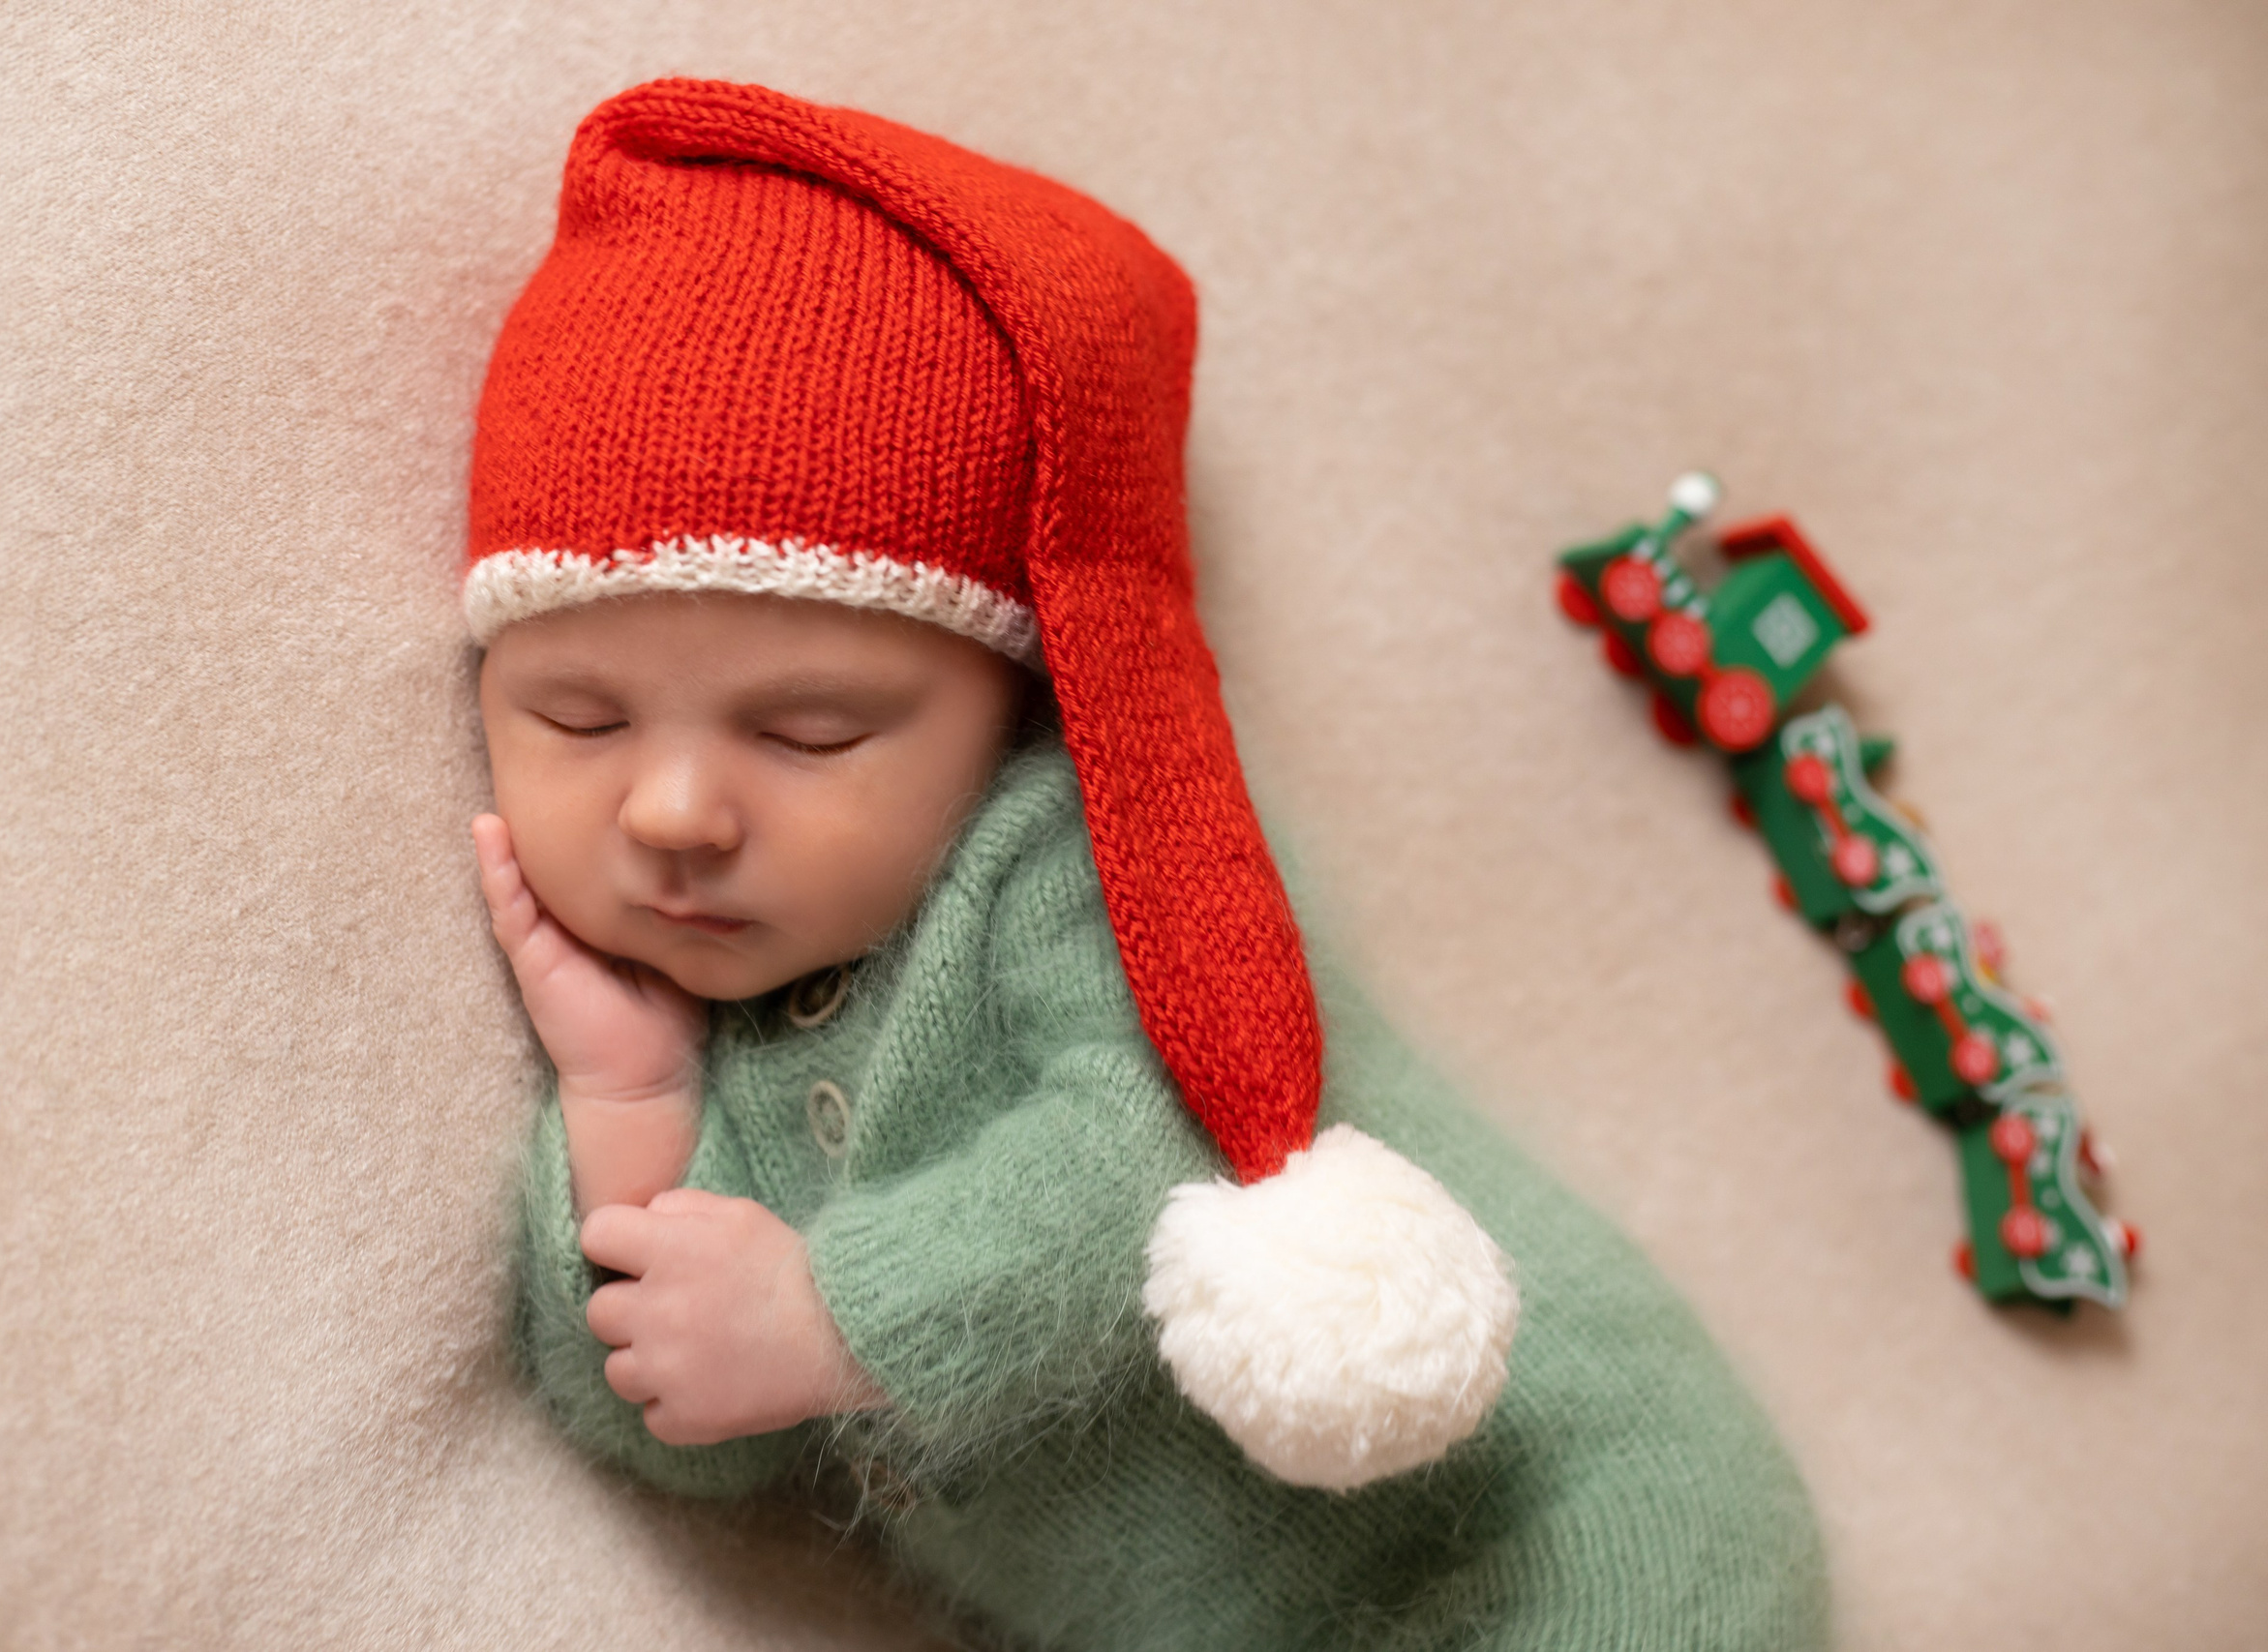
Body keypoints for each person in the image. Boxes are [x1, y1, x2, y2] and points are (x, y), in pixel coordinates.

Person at [469, 77, 1827, 1652]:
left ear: (1010, 705)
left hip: (1571, 1536)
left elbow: (1148, 1137)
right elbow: (682, 1432)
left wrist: (833, 1317)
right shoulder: (708, 1049)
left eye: (813, 733)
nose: (677, 810)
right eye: (576, 717)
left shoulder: (1094, 855)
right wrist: (629, 1107)